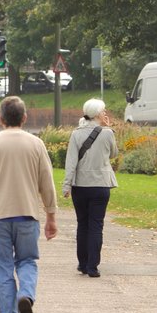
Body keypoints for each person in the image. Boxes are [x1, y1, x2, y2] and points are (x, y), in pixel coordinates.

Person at [0, 96, 58, 313]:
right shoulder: (36, 144)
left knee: (2, 267)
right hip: (27, 214)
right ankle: (26, 295)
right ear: (24, 118)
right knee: (27, 261)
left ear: (0, 119)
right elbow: (46, 183)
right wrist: (51, 215)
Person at [63, 99, 118, 278]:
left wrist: (67, 185)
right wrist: (109, 129)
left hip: (80, 185)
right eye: (103, 111)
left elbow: (71, 162)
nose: (105, 114)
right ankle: (93, 266)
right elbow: (114, 154)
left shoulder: (76, 134)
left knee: (82, 224)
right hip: (100, 185)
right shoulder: (107, 133)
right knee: (96, 225)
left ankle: (83, 263)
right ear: (97, 114)